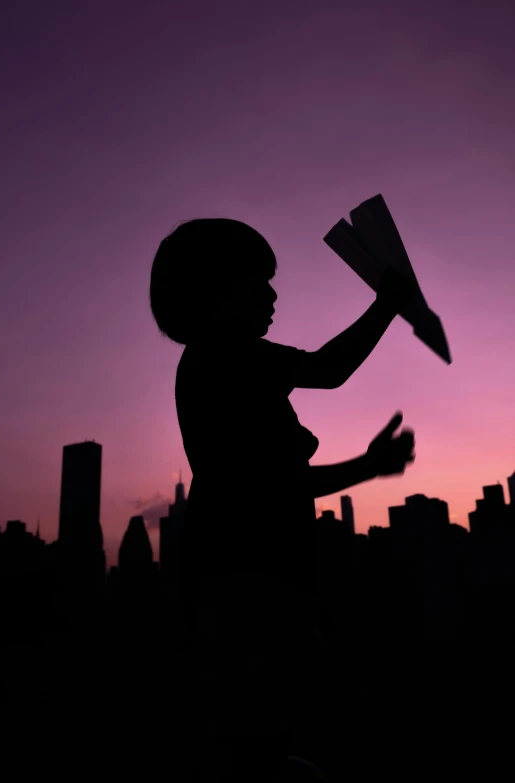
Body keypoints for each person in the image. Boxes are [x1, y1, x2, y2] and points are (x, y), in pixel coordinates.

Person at [149, 217, 416, 781]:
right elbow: (329, 368)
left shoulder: (218, 364)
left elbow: (282, 482)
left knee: (259, 722)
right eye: (256, 282)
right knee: (257, 718)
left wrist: (369, 465)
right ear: (214, 293)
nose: (272, 294)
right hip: (248, 583)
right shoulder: (226, 357)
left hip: (248, 580)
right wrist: (388, 304)